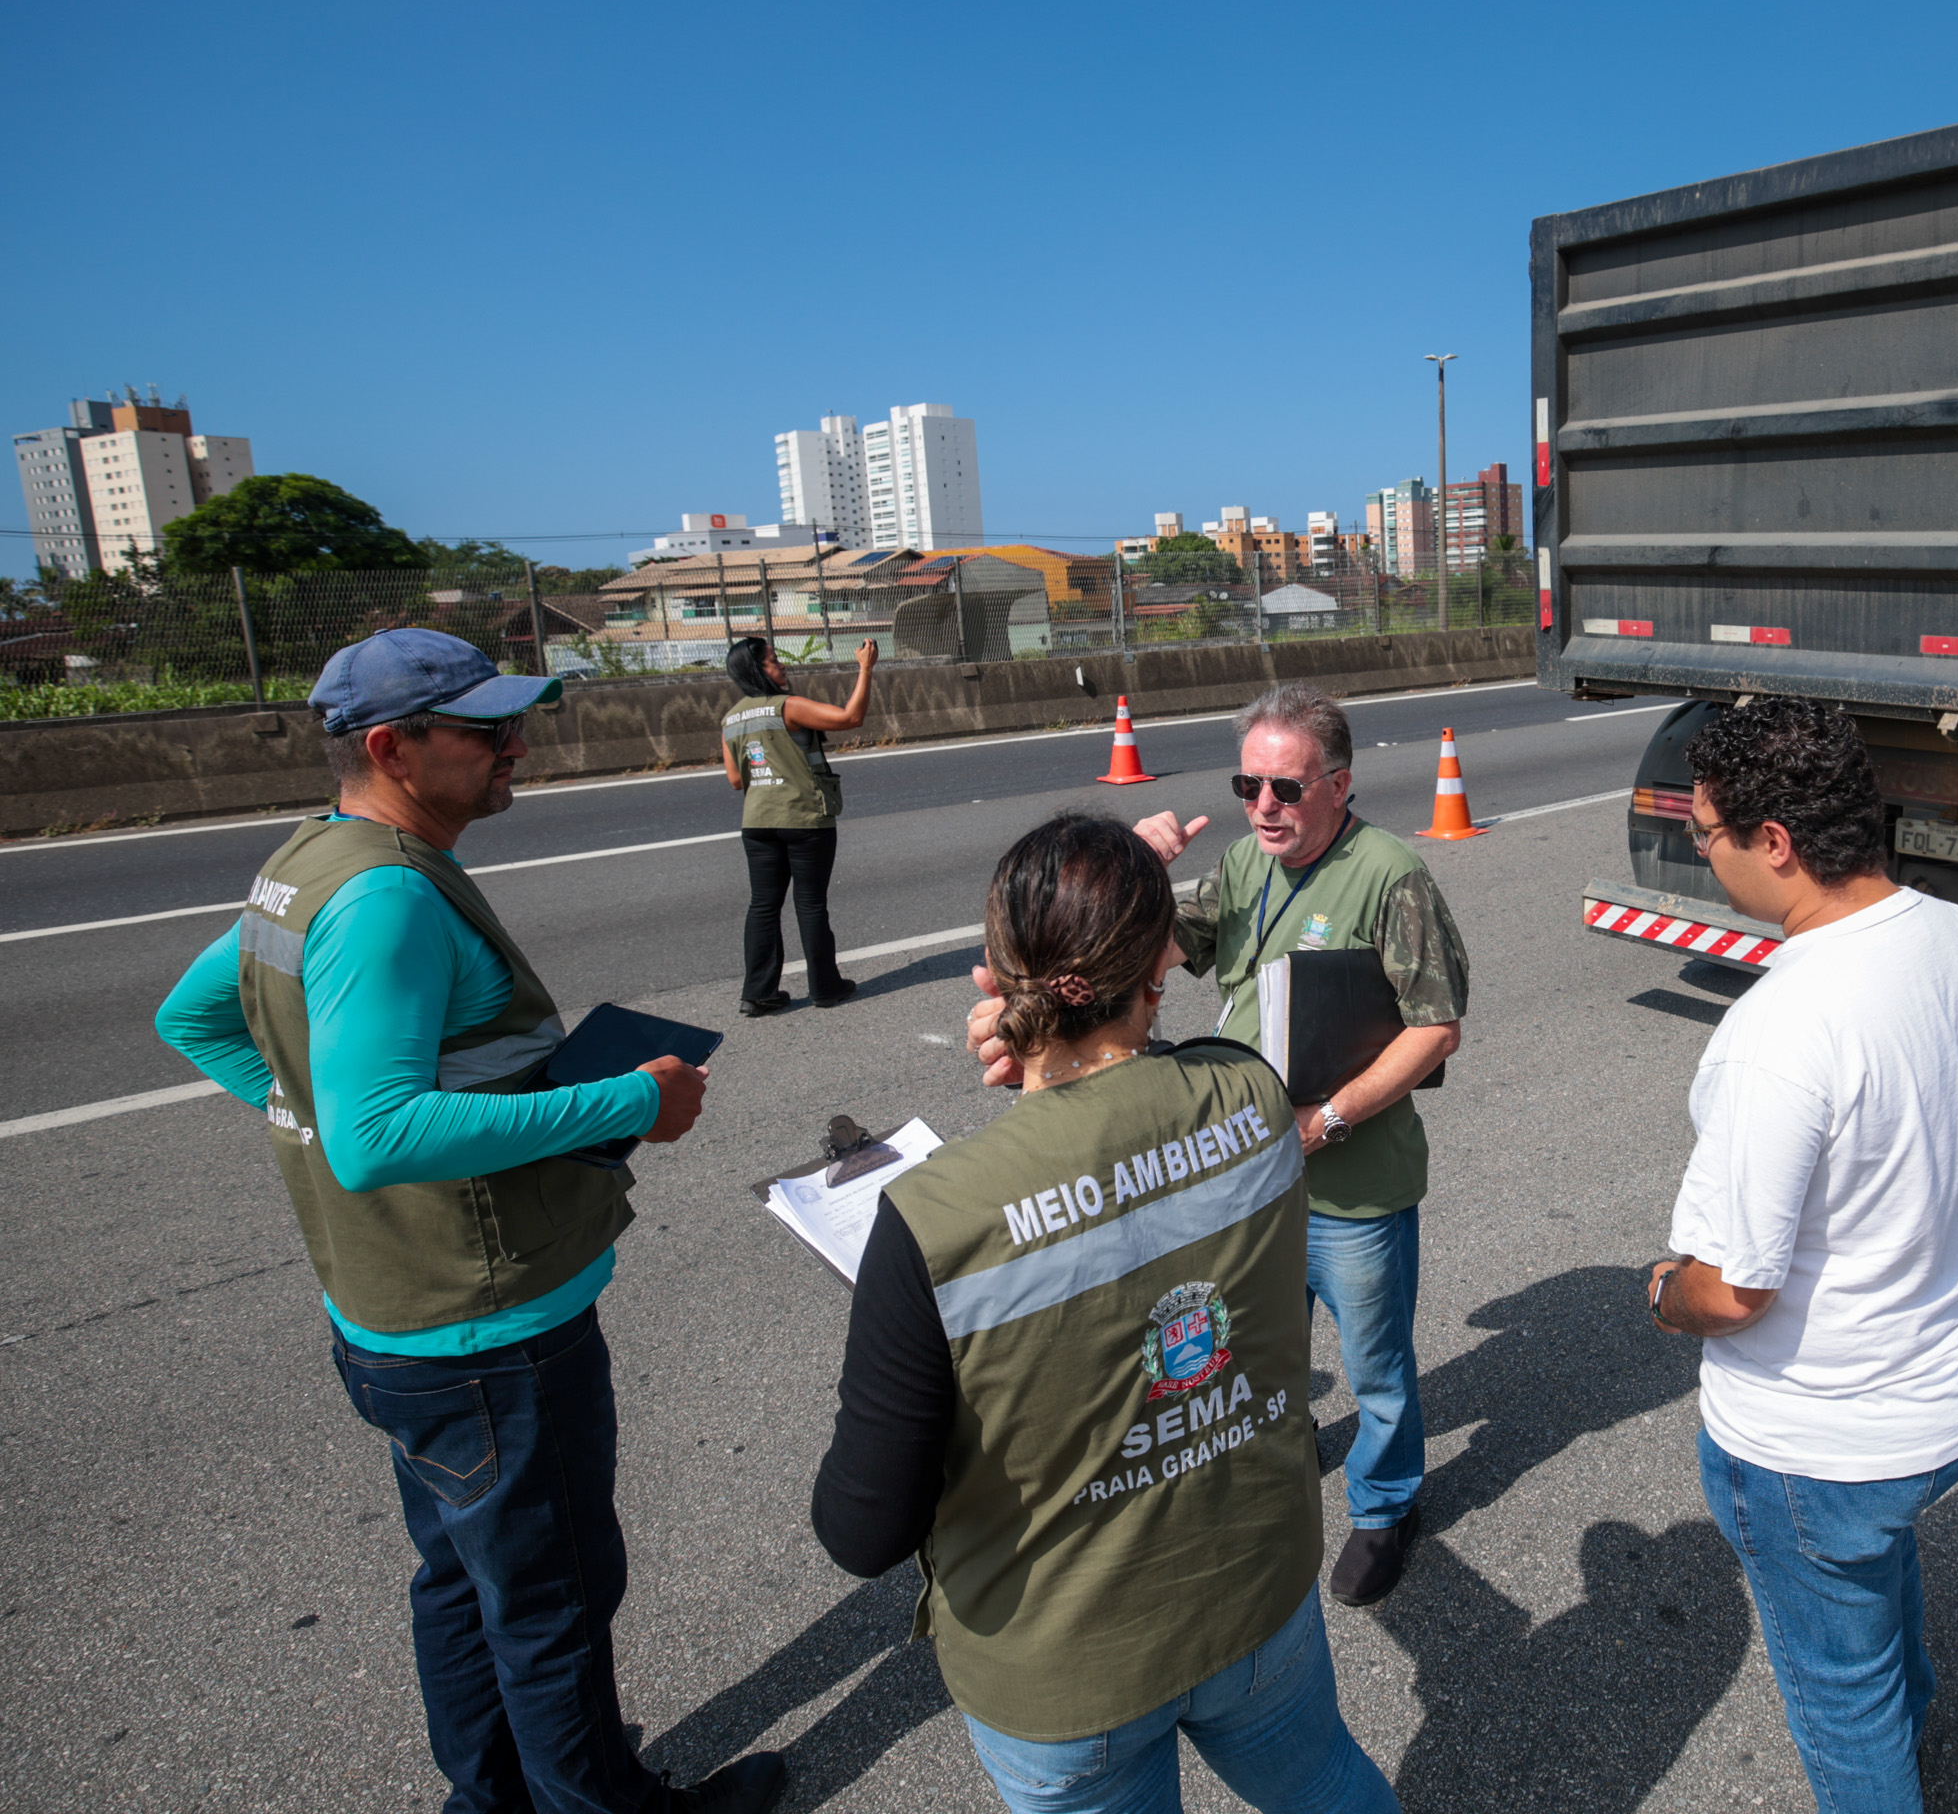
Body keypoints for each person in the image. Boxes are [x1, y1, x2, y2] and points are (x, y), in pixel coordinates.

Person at [151, 629, 782, 1814]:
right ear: (392, 746)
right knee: (552, 1598)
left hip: (390, 1311)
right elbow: (377, 1132)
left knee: (458, 1576)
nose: (517, 746)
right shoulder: (387, 896)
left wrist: (319, 1120)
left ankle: (488, 1795)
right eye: (487, 730)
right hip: (488, 1325)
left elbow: (199, 1021)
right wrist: (634, 1098)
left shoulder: (309, 864)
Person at [812, 813, 1399, 1814]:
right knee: (1325, 1784)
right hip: (1257, 1588)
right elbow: (1157, 1089)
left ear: (999, 979)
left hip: (1063, 1667)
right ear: (1158, 968)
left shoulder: (930, 1218)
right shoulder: (1252, 1094)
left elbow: (861, 1528)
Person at [1643, 696, 1958, 1814]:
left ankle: (1889, 1758)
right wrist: (1936, 1207)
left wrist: (1658, 1292)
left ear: (1773, 844)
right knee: (1869, 1580)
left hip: (1817, 1439)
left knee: (1838, 1690)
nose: (1702, 850)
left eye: (1706, 832)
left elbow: (1733, 1285)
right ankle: (1915, 1717)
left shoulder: (1786, 1023)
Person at [1015, 683, 1466, 1608]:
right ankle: (1286, 1452)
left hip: (1351, 1177)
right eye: (1248, 785)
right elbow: (1164, 950)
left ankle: (1386, 1507)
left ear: (1338, 785)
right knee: (1265, 1347)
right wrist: (1134, 872)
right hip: (1251, 1169)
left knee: (1377, 1367)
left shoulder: (1391, 876)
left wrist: (1328, 1121)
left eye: (1288, 788)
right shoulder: (1249, 861)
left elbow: (1436, 1029)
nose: (1264, 806)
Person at [721, 633, 877, 1016]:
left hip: (757, 821)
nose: (782, 665)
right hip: (804, 817)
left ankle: (758, 993)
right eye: (774, 660)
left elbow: (736, 780)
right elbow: (850, 718)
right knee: (810, 905)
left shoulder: (731, 718)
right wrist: (865, 668)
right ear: (758, 669)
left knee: (763, 905)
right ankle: (825, 987)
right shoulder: (786, 707)